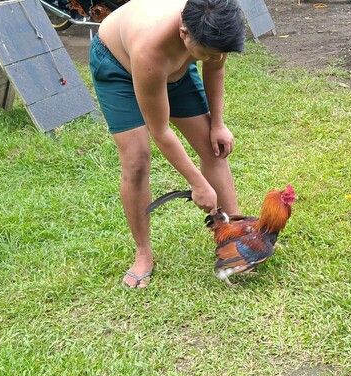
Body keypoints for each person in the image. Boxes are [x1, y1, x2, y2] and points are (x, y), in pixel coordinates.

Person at [89, 0, 246, 288]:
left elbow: (215, 68)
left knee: (215, 148)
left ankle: (233, 239)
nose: (216, 58)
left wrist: (218, 124)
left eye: (220, 53)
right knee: (137, 160)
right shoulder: (150, 47)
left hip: (176, 65)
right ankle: (143, 252)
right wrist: (197, 184)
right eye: (209, 54)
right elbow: (160, 130)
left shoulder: (213, 25)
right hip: (119, 66)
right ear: (184, 32)